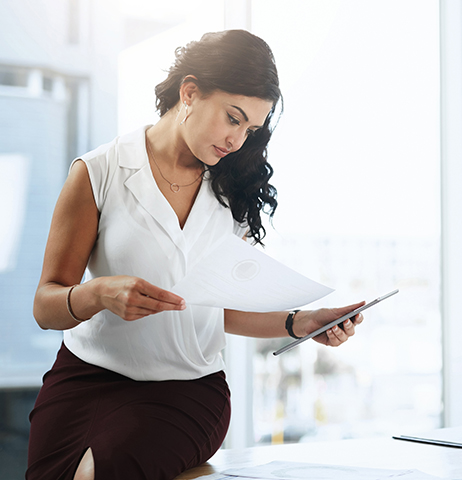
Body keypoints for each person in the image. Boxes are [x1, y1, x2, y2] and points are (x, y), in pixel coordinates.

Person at [26, 29, 363, 480]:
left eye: (251, 129)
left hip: (186, 391)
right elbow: (46, 307)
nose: (238, 141)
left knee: (96, 474)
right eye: (232, 118)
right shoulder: (99, 171)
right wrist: (99, 294)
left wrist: (298, 322)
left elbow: (211, 307)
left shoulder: (234, 189)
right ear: (190, 92)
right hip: (86, 378)